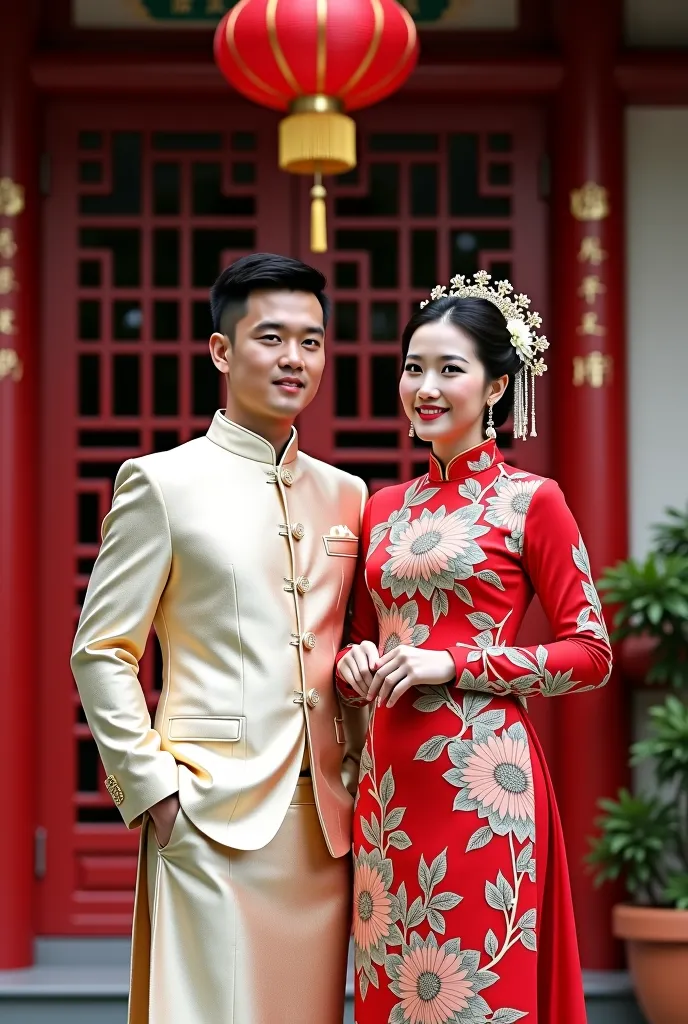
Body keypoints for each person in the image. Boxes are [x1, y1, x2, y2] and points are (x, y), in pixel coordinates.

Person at [71, 253, 368, 1024]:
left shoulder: (348, 494)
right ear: (222, 351)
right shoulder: (160, 483)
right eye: (271, 337)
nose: (294, 359)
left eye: (311, 340)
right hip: (208, 814)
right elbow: (101, 652)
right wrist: (154, 792)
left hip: (326, 830)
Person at [336, 272, 612, 1024]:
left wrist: (455, 663)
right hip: (387, 788)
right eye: (413, 367)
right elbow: (359, 639)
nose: (425, 386)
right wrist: (352, 665)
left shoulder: (534, 501)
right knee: (395, 991)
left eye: (449, 369)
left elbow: (591, 653)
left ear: (496, 387)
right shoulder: (381, 508)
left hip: (484, 786)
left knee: (475, 994)